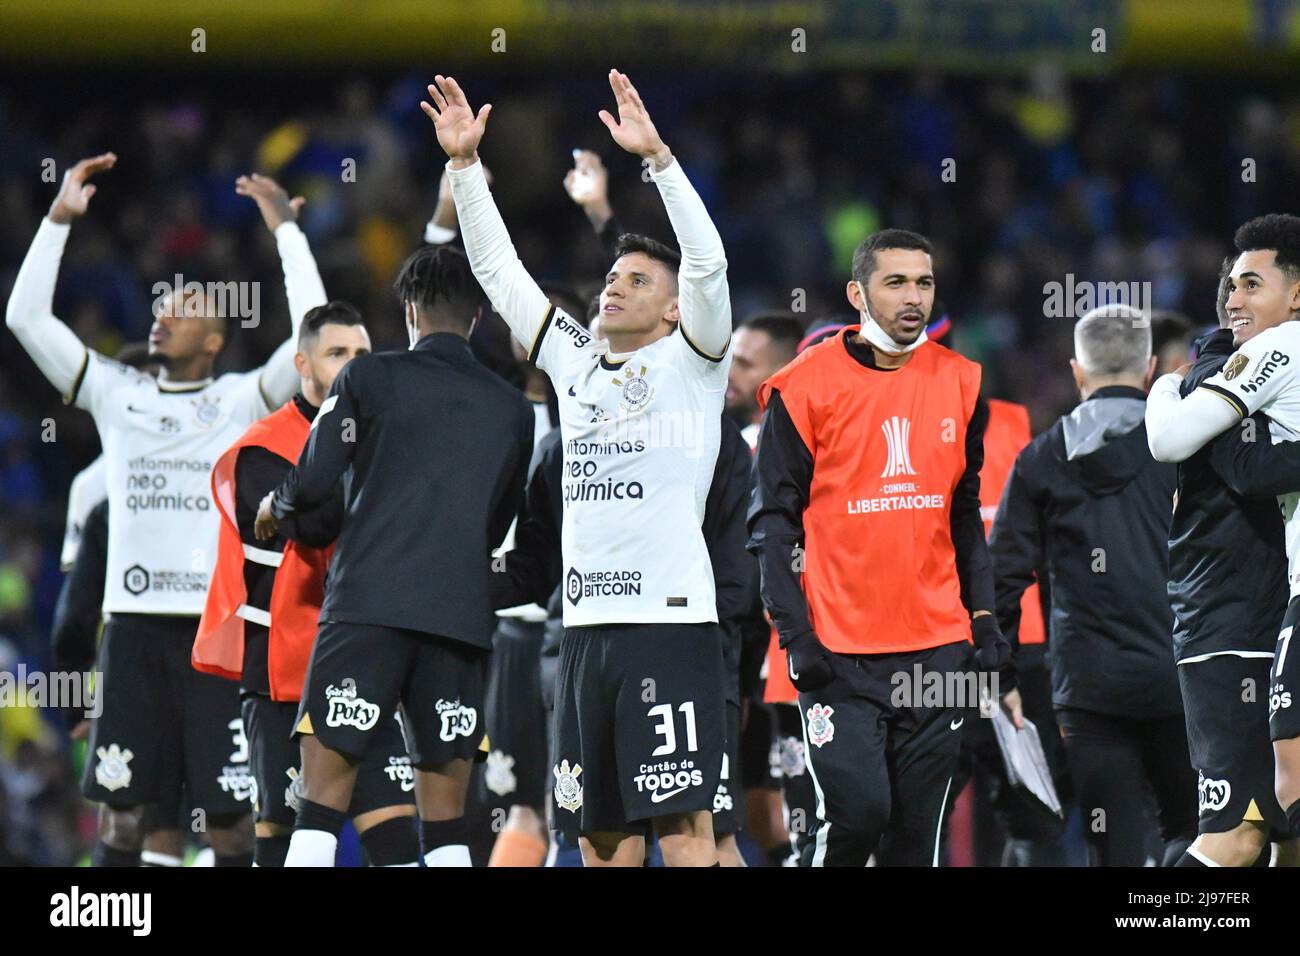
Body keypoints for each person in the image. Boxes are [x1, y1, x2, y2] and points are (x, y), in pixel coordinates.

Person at [433, 69, 732, 867]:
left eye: (638, 280)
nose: (614, 285)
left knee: (683, 829)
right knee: (596, 835)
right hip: (585, 632)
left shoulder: (694, 362)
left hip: (668, 629)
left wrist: (660, 161)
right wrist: (465, 169)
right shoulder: (573, 363)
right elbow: (500, 277)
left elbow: (706, 264)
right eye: (612, 275)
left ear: (673, 309)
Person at [7, 155, 324, 867]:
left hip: (216, 639)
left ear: (215, 339)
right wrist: (57, 221)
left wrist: (286, 235)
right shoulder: (119, 394)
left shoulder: (242, 399)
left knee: (231, 827)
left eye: (183, 311)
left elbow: (314, 329)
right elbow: (25, 319)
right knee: (122, 822)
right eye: (161, 307)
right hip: (133, 638)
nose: (163, 315)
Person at [258, 245, 534, 867]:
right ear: (478, 318)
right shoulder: (512, 409)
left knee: (320, 807)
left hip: (366, 609)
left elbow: (314, 479)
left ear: (409, 308)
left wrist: (276, 503)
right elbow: (501, 518)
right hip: (458, 620)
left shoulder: (368, 377)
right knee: (446, 827)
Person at [747, 228, 1012, 867]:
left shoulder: (962, 381)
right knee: (860, 815)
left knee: (917, 840)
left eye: (923, 282)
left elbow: (963, 515)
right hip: (839, 655)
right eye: (896, 282)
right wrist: (796, 637)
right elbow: (772, 526)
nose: (913, 296)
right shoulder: (802, 385)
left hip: (938, 650)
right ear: (857, 293)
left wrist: (985, 621)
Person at [193, 301, 426, 867]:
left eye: (362, 354)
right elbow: (316, 523)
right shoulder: (261, 448)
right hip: (284, 673)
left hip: (368, 665)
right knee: (284, 839)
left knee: (396, 840)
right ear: (303, 363)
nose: (353, 365)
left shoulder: (382, 437)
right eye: (337, 353)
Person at [990, 304, 1195, 866]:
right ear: (1150, 368)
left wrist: (1001, 674)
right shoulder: (1188, 449)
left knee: (1115, 847)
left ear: (1077, 372)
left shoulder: (1039, 457)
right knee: (1196, 835)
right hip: (1183, 674)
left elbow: (1003, 575)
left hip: (1088, 686)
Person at [1146, 214, 1300, 865]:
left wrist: (1161, 386)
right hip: (1242, 621)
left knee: (1247, 829)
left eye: (1251, 284)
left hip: (1231, 625)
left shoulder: (1282, 345)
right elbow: (1256, 468)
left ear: (1296, 293)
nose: (1234, 300)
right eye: (1230, 287)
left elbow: (1169, 439)